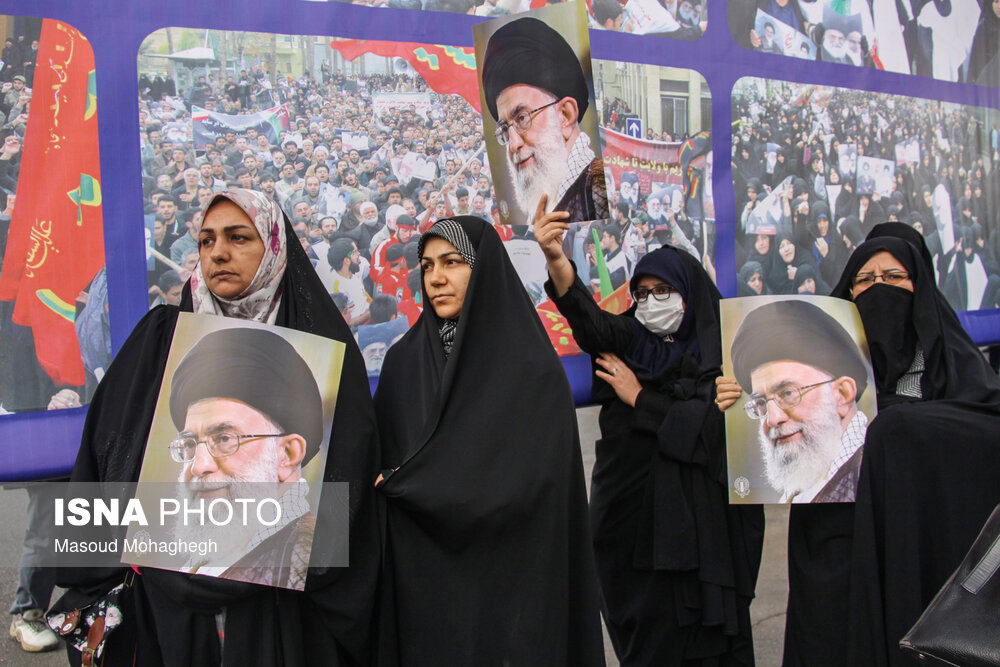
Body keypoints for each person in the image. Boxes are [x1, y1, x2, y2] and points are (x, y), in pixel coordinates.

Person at [51, 188, 380, 666]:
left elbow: (348, 489)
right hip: (165, 614)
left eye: (238, 237)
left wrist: (274, 560)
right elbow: (102, 458)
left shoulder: (322, 344)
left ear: (274, 247)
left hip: (284, 619)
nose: (217, 253)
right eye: (206, 240)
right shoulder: (158, 341)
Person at [535, 198, 764, 665]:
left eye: (664, 290)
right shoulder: (627, 342)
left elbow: (712, 437)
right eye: (641, 293)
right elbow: (589, 321)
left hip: (704, 545)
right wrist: (557, 259)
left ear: (690, 292)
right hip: (632, 539)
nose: (650, 302)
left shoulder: (727, 357)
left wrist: (640, 399)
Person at [374, 216, 604, 666]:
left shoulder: (531, 369)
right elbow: (381, 468)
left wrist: (416, 486)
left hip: (514, 590)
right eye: (427, 265)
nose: (435, 278)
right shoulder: (403, 364)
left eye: (452, 262)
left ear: (485, 269)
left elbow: (535, 488)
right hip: (428, 593)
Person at [828, 228, 1000, 665]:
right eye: (865, 280)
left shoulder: (951, 359)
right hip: (841, 540)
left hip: (918, 543)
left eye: (893, 277)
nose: (878, 288)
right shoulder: (820, 364)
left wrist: (903, 426)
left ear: (918, 285)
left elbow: (986, 428)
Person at [165, 327, 325, 589]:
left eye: (224, 439)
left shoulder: (306, 558)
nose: (199, 466)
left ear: (287, 454)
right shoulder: (212, 552)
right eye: (190, 444)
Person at [729, 299, 870, 502]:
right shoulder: (807, 485)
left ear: (842, 394)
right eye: (761, 403)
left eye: (788, 394)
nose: (773, 419)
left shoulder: (873, 471)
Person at [481, 17, 608, 223]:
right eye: (505, 129)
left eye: (522, 118)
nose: (514, 144)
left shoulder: (598, 191)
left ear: (565, 115)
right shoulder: (548, 204)